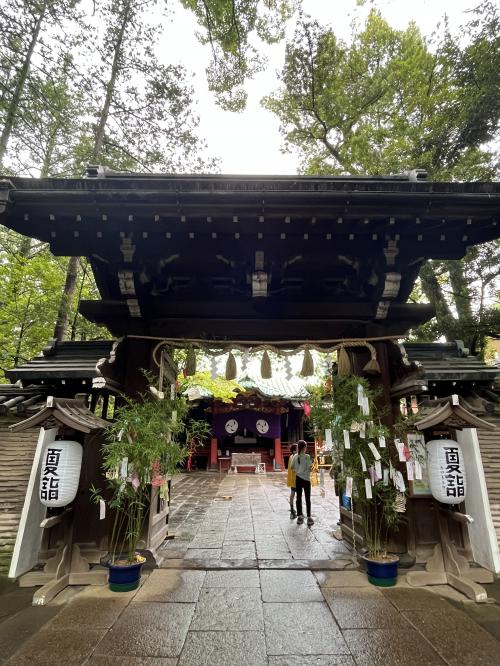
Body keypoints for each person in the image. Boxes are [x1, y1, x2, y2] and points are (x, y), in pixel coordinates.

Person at [292, 440, 314, 526]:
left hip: (298, 479)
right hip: (306, 479)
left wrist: (298, 470)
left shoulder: (294, 457)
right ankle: (309, 517)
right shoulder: (307, 457)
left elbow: (291, 467)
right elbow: (310, 468)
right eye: (306, 447)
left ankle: (300, 516)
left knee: (299, 498)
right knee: (307, 498)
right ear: (304, 447)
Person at [286, 443, 298, 518]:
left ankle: (292, 509)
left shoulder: (291, 456)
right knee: (298, 496)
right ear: (294, 451)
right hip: (296, 479)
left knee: (292, 494)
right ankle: (297, 512)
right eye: (297, 449)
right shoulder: (296, 457)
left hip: (292, 479)